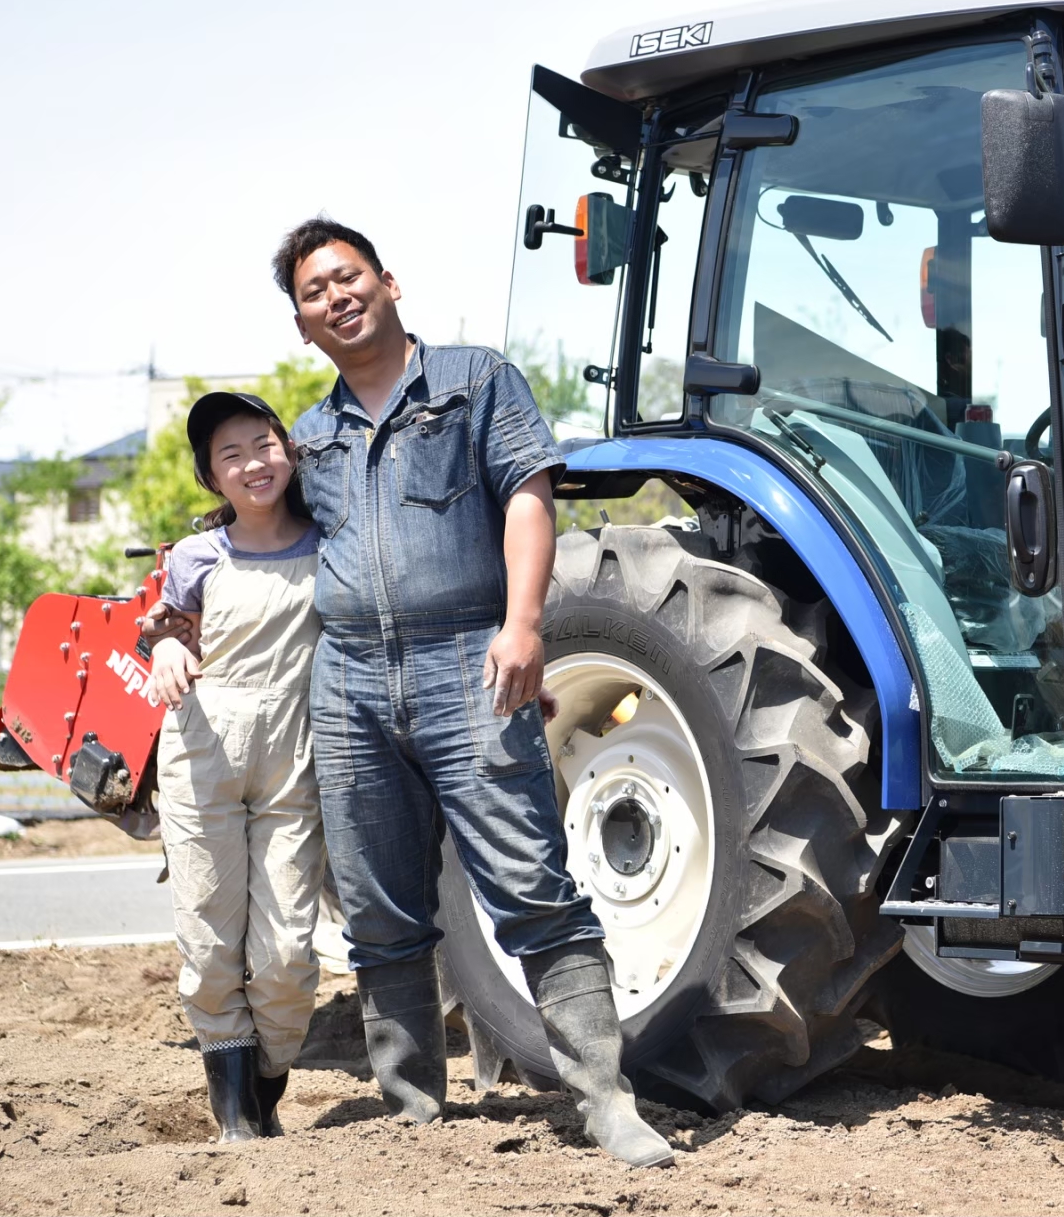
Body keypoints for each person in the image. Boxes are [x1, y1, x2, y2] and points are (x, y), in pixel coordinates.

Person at [154, 218, 671, 1166]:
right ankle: (411, 1113)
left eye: (348, 278)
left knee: (530, 882)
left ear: (390, 284)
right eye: (314, 293)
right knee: (381, 907)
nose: (335, 298)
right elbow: (251, 541)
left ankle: (605, 1098)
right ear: (303, 327)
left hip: (468, 659)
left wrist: (523, 627)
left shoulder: (475, 381)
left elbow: (527, 494)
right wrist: (178, 619)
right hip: (345, 679)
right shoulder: (308, 438)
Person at [147, 391, 327, 1144]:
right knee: (211, 939)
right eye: (230, 455)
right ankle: (233, 1117)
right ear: (211, 478)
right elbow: (162, 628)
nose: (252, 464)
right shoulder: (197, 557)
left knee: (287, 952)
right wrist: (163, 647)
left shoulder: (330, 540)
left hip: (295, 761)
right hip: (202, 757)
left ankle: (267, 1091)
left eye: (263, 444)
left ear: (288, 451)